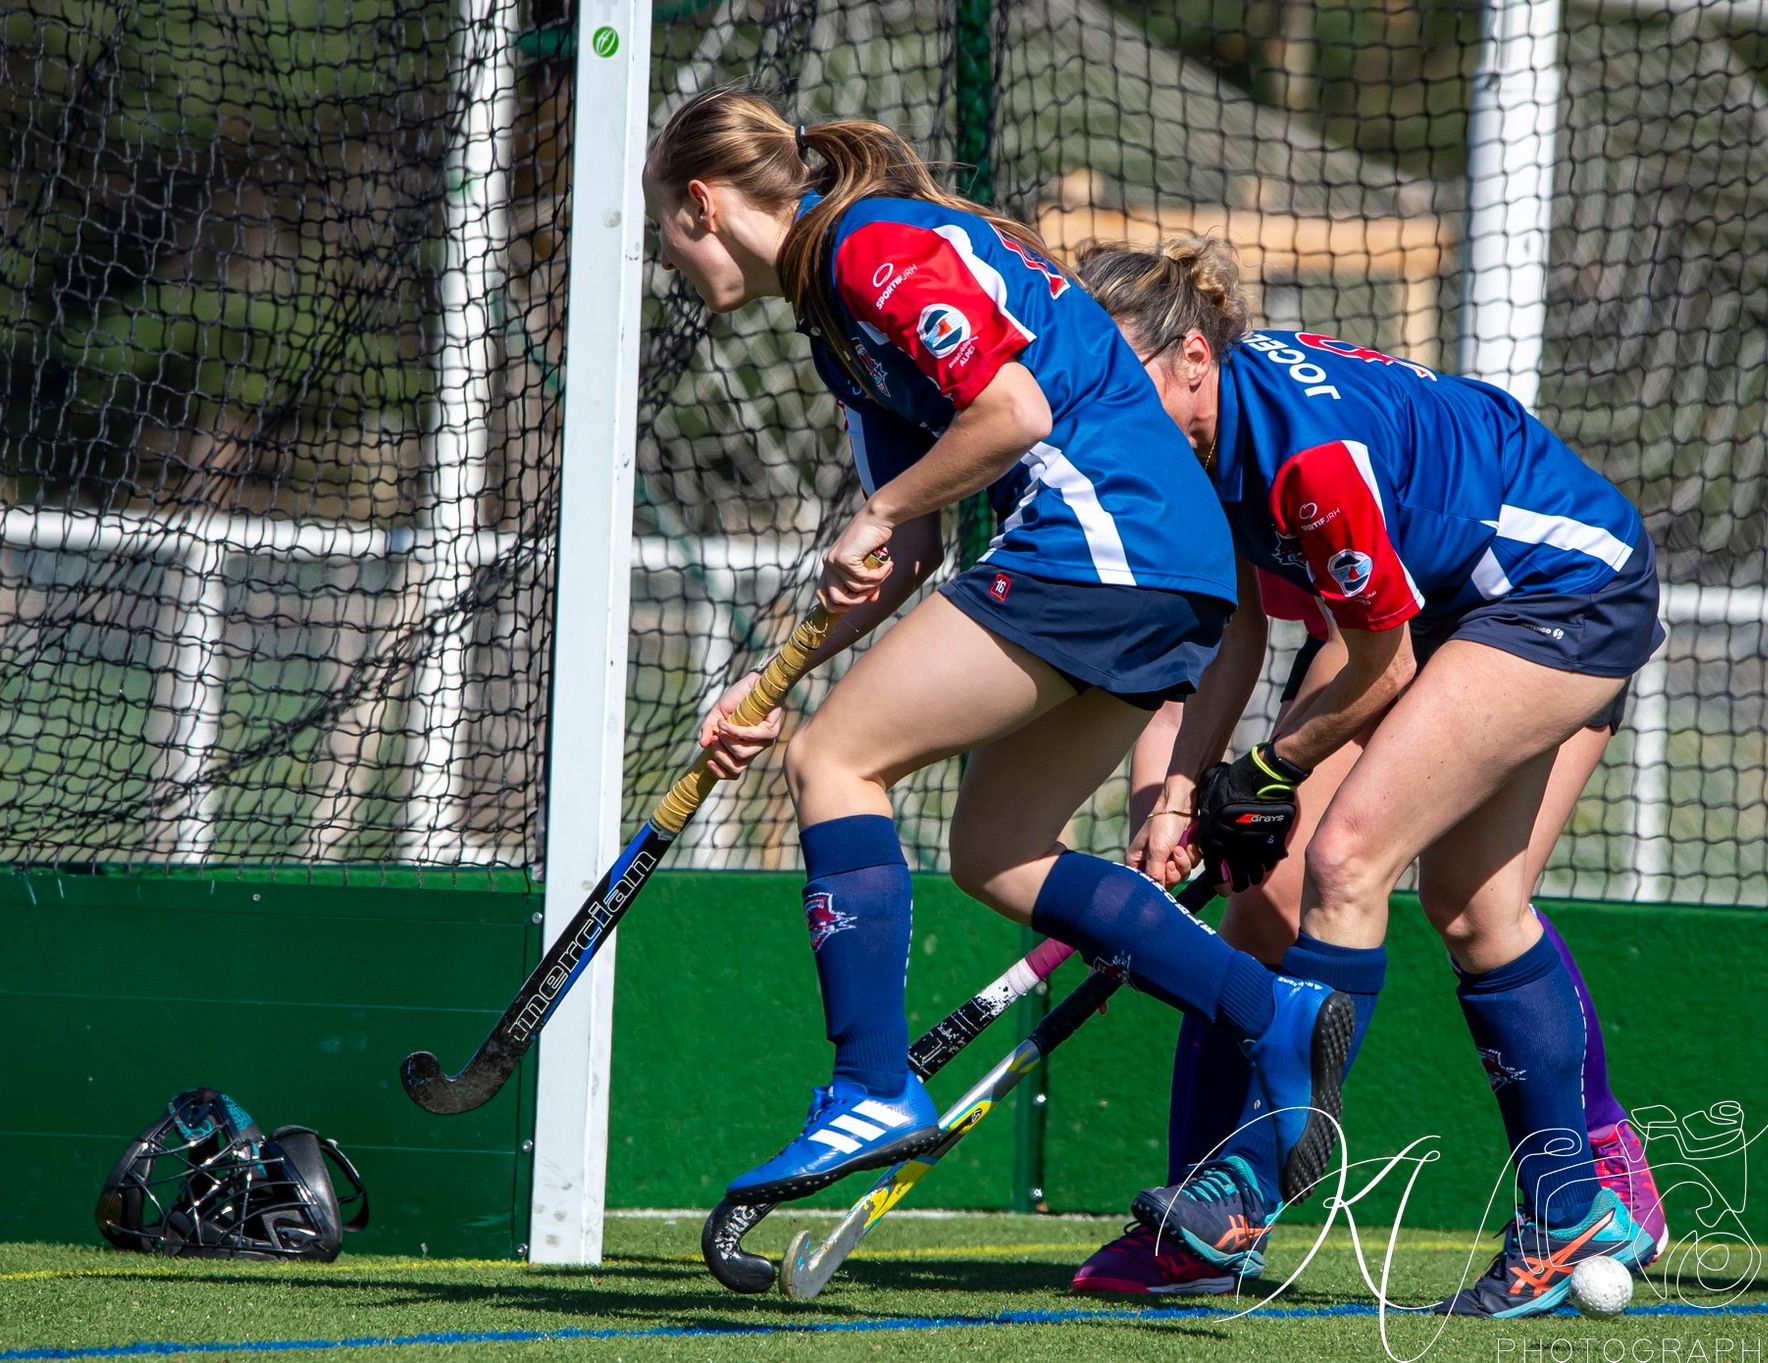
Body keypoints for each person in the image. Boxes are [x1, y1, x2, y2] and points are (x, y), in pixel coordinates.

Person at [641, 90, 1354, 1216]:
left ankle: (870, 1086)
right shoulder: (836, 327)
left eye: (664, 236)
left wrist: (877, 518)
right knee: (998, 851)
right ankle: (1273, 1014)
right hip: (1166, 572)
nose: (670, 264)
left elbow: (1011, 413)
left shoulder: (870, 249)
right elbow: (910, 541)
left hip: (1103, 544)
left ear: (700, 204)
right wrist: (774, 676)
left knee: (835, 765)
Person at [1070, 237, 1665, 1318]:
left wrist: (1261, 768)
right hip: (1426, 603)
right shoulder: (1198, 445)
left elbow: (1378, 661)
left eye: (1122, 381)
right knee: (1336, 897)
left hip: (1551, 585)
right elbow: (1232, 635)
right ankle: (1208, 1234)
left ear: (1193, 359)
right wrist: (1176, 796)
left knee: (1349, 859)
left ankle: (1250, 1191)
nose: (1101, 410)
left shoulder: (1304, 458)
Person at [1082, 585, 1666, 1299]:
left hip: (1534, 613)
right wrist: (1161, 830)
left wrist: (1261, 776)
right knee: (1265, 900)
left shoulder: (1293, 473)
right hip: (1366, 638)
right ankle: (1201, 1223)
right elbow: (1213, 641)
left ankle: (1600, 1155)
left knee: (1476, 905)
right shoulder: (1194, 492)